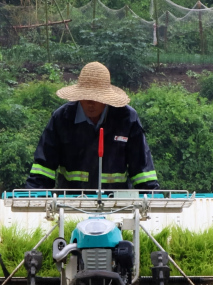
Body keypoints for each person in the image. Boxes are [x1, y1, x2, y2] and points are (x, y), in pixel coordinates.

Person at [25, 62, 160, 190]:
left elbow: (143, 171)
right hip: (70, 202)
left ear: (106, 98)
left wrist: (153, 204)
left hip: (116, 203)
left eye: (96, 98)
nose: (91, 103)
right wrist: (31, 201)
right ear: (78, 96)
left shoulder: (127, 118)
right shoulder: (61, 118)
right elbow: (43, 169)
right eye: (86, 97)